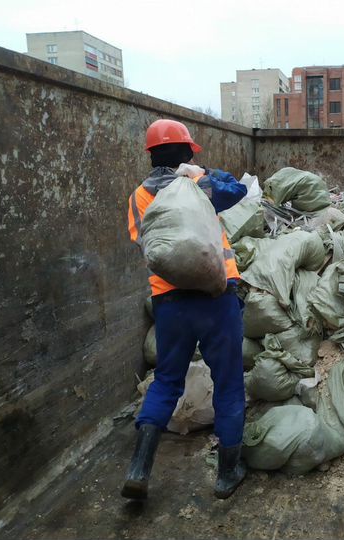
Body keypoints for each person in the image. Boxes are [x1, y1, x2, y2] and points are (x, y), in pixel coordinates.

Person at [122, 119, 248, 501]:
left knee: (166, 380)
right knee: (228, 384)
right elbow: (238, 189)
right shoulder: (199, 185)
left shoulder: (139, 196)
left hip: (169, 303)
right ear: (187, 152)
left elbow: (144, 241)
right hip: (217, 297)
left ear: (151, 155)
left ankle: (139, 468)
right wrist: (204, 172)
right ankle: (227, 475)